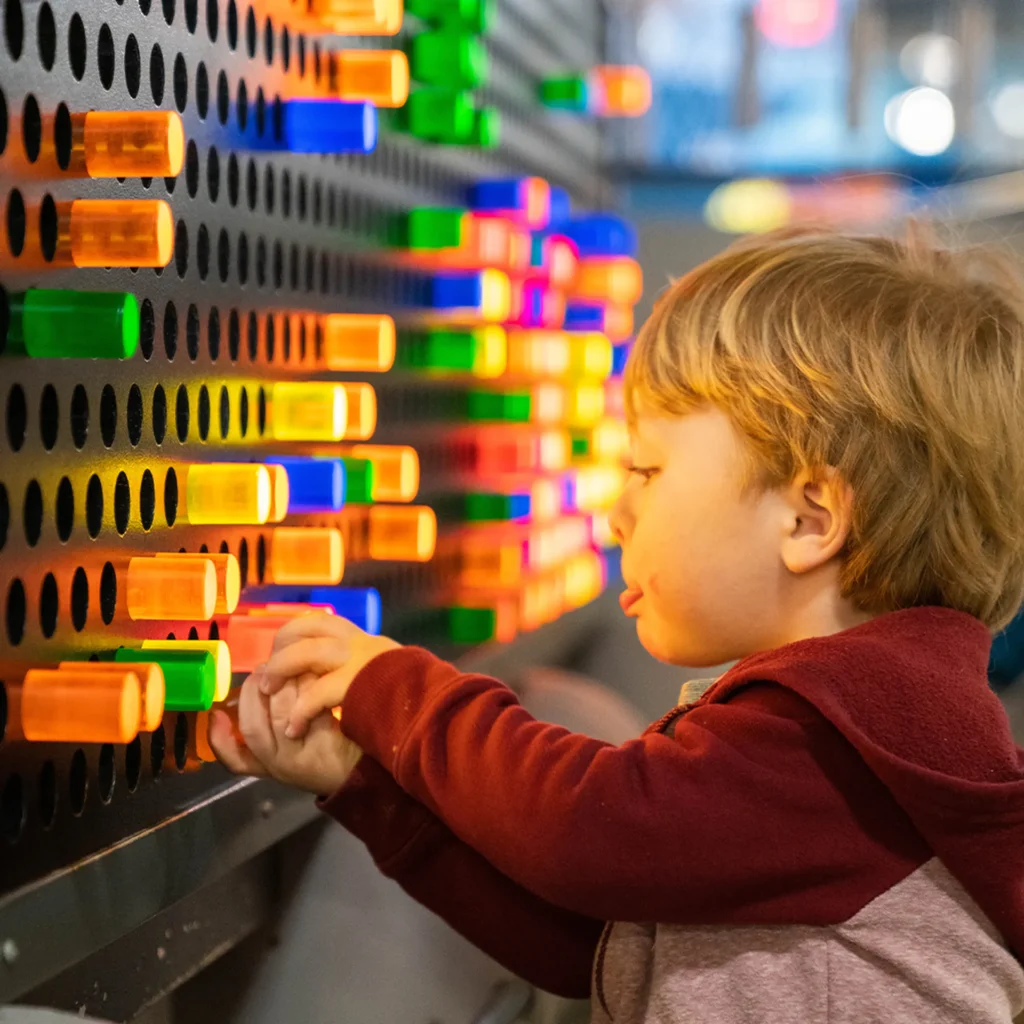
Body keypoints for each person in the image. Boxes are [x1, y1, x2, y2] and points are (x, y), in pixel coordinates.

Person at [210, 227, 1024, 1023]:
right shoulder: (847, 729)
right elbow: (594, 944)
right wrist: (365, 784)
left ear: (811, 520)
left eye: (647, 469)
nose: (614, 516)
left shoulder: (850, 741)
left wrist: (395, 689)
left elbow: (585, 832)